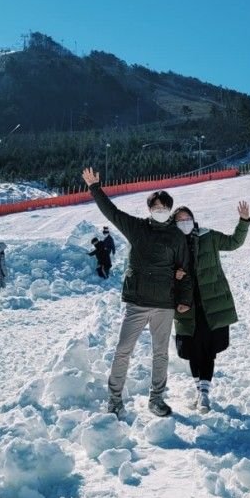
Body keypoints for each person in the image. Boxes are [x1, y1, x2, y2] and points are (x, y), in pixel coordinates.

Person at [82, 167, 193, 418]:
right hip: (137, 302)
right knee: (123, 349)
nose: (160, 210)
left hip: (164, 304)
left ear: (169, 209)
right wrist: (95, 188)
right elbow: (111, 212)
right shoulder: (136, 228)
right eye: (156, 206)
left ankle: (156, 399)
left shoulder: (177, 237)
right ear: (149, 208)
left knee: (160, 353)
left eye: (164, 207)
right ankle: (114, 399)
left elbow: (184, 270)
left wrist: (184, 299)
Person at [172, 201, 250, 413]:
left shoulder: (209, 236)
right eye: (179, 220)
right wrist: (174, 274)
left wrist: (243, 221)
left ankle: (204, 394)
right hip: (185, 307)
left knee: (207, 350)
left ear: (193, 219)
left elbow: (234, 242)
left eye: (187, 218)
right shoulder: (171, 246)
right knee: (191, 350)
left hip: (211, 303)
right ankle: (200, 391)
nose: (184, 223)